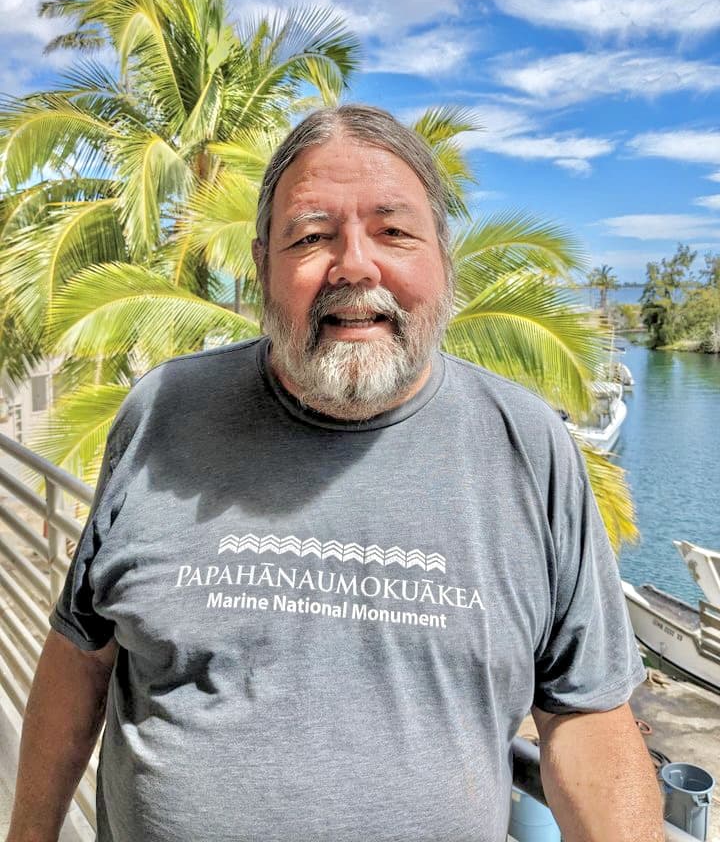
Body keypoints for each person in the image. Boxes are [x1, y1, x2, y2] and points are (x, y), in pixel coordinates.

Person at [6, 105, 664, 842]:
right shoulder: (161, 412)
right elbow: (82, 654)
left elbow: (586, 717)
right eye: (312, 236)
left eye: (394, 232)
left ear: (442, 260)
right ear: (262, 267)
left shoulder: (531, 447)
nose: (354, 265)